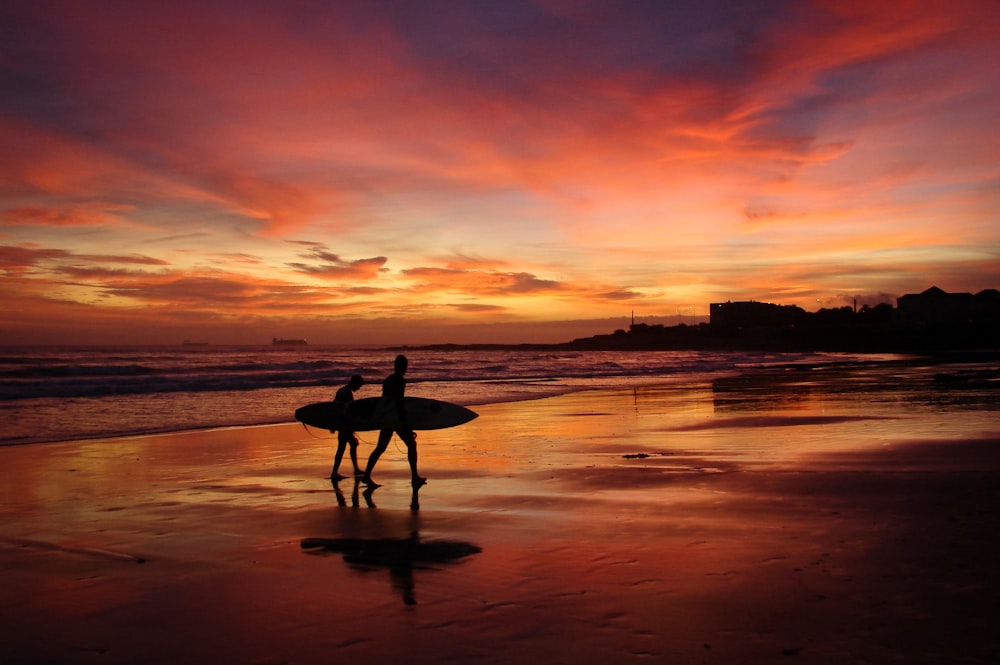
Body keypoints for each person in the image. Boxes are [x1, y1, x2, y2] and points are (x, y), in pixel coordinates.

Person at [361, 355, 425, 487]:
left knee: (380, 448)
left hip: (387, 417)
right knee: (412, 445)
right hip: (396, 419)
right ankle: (414, 477)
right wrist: (406, 425)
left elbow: (384, 400)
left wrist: (381, 417)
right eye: (405, 365)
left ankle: (367, 475)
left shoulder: (388, 379)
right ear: (403, 366)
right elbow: (399, 403)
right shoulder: (400, 380)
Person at [330, 374, 364, 481]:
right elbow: (348, 412)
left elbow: (334, 407)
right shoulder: (347, 393)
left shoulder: (341, 390)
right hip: (344, 425)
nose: (358, 389)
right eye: (359, 386)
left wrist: (333, 424)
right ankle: (335, 473)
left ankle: (354, 469)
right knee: (342, 448)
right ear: (355, 383)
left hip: (341, 424)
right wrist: (350, 427)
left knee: (351, 444)